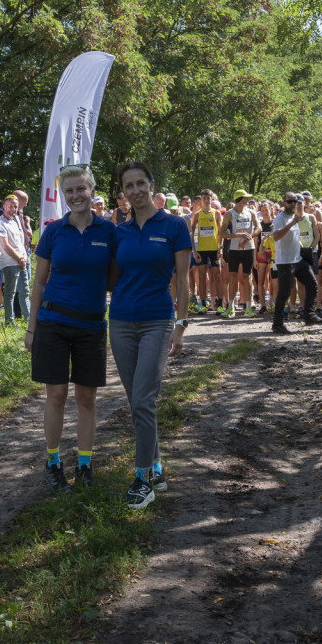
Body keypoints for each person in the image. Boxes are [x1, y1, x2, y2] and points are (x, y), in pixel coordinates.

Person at [26, 166, 115, 493]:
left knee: (86, 399)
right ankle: (52, 462)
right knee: (58, 394)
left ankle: (85, 464)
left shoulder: (108, 231)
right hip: (53, 323)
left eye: (81, 189)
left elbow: (117, 277)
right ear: (64, 195)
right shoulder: (53, 231)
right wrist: (31, 328)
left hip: (91, 325)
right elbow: (38, 283)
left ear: (91, 190)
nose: (76, 196)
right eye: (70, 191)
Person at [109, 161, 191, 509]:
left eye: (141, 183)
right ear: (123, 194)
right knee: (137, 399)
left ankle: (142, 478)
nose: (136, 190)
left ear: (151, 185)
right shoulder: (118, 231)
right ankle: (156, 467)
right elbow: (112, 277)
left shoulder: (174, 225)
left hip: (158, 320)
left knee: (144, 399)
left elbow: (185, 280)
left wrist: (181, 325)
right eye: (129, 186)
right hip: (121, 322)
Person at [271, 192, 322, 334]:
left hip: (297, 259)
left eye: (295, 201)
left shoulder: (293, 217)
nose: (293, 204)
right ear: (284, 203)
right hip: (285, 262)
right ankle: (277, 324)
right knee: (284, 293)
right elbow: (276, 236)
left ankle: (309, 315)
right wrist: (291, 224)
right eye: (290, 201)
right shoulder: (281, 218)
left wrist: (303, 248)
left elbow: (295, 237)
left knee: (312, 284)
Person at [220, 189, 261, 318]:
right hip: (233, 249)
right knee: (232, 277)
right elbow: (222, 233)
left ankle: (248, 308)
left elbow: (259, 228)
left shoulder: (251, 212)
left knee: (247, 277)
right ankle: (230, 308)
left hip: (249, 248)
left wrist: (249, 236)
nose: (247, 200)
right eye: (245, 198)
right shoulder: (229, 214)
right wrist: (236, 235)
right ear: (239, 199)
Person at [0, 194, 30, 325]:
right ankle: (10, 322)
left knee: (25, 291)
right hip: (9, 263)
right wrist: (19, 259)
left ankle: (28, 319)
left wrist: (24, 257)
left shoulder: (14, 221)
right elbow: (5, 245)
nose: (13, 209)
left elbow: (21, 243)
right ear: (4, 206)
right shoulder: (0, 222)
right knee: (10, 294)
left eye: (15, 207)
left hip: (21, 262)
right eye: (10, 206)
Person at [190, 189, 223, 314]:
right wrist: (194, 250)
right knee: (202, 277)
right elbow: (192, 232)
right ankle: (202, 304)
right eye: (204, 198)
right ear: (201, 200)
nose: (206, 200)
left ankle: (219, 305)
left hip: (214, 249)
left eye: (208, 198)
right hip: (201, 250)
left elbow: (221, 232)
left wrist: (221, 247)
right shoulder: (197, 215)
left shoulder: (217, 213)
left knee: (217, 276)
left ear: (211, 199)